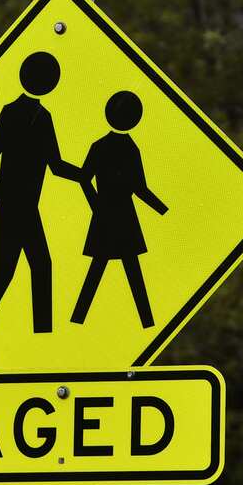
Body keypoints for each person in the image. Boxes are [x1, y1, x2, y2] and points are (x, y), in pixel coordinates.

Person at [0, 51, 82, 335]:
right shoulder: (16, 113)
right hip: (12, 209)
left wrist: (84, 175)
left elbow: (54, 165)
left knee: (36, 267)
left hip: (25, 209)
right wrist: (1, 196)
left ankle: (40, 335)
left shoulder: (40, 117)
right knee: (9, 271)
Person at [70, 90, 167, 328]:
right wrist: (163, 210)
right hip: (123, 217)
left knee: (103, 268)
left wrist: (97, 206)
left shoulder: (100, 146)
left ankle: (78, 319)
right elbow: (140, 188)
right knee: (128, 270)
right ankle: (146, 322)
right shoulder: (130, 149)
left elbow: (84, 178)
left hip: (108, 216)